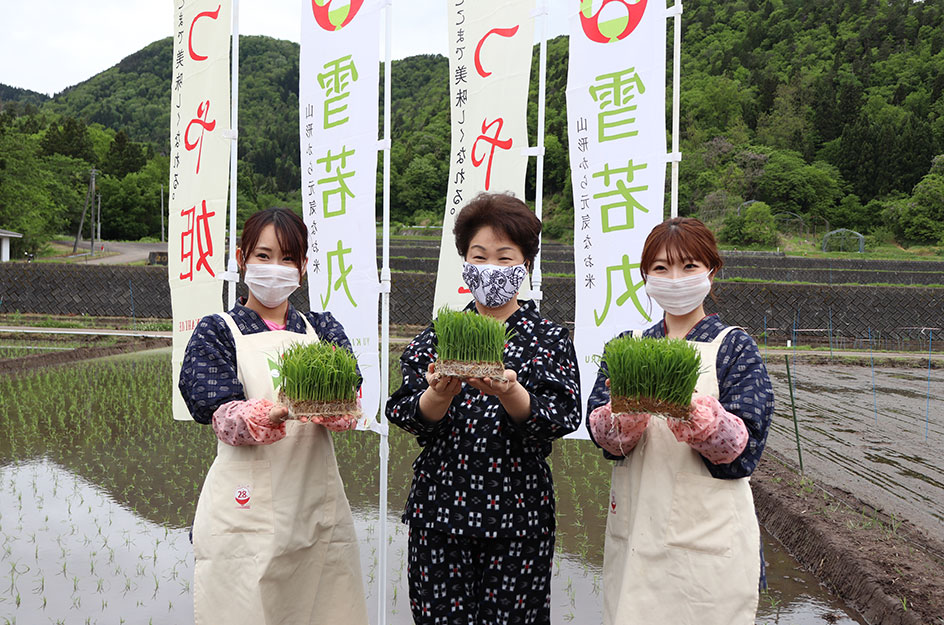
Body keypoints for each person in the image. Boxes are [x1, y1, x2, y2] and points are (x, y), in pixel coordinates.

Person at [386, 192, 582, 625]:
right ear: (465, 262)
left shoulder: (548, 337)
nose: (490, 268)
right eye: (480, 256)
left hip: (519, 515)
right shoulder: (442, 332)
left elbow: (563, 415)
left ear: (525, 264)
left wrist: (511, 393)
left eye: (504, 256)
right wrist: (438, 395)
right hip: (440, 512)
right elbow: (402, 409)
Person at [178, 207, 367, 625]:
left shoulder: (322, 328)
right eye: (263, 256)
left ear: (302, 267)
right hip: (245, 506)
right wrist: (268, 415)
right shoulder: (218, 329)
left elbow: (350, 394)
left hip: (314, 503)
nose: (275, 269)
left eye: (287, 259)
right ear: (243, 257)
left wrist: (335, 409)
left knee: (325, 605)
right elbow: (215, 409)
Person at [586, 217, 774, 625]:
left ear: (711, 270)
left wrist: (698, 417)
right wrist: (623, 419)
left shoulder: (733, 346)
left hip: (707, 544)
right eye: (661, 268)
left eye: (688, 266)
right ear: (645, 276)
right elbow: (602, 438)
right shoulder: (627, 346)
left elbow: (746, 452)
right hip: (637, 531)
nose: (675, 279)